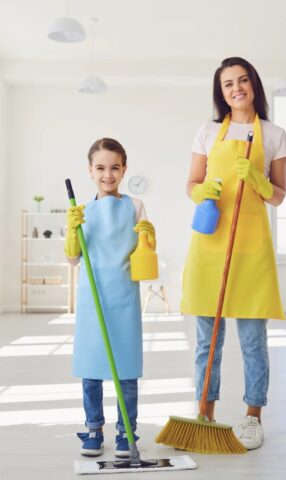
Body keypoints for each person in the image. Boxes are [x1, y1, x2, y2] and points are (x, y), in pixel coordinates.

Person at [181, 57, 286, 450]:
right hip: (210, 244)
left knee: (253, 341)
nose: (236, 88)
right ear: (221, 92)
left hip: (251, 247)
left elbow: (278, 195)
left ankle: (252, 418)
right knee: (208, 342)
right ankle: (204, 416)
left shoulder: (275, 134)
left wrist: (259, 180)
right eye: (228, 84)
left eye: (243, 80)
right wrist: (201, 192)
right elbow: (192, 182)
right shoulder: (208, 131)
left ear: (254, 85)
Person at [65, 138, 156, 457]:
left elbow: (144, 259)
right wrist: (70, 232)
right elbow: (74, 260)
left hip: (124, 298)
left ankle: (126, 431)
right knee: (91, 369)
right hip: (92, 298)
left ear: (124, 169)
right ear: (90, 171)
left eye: (114, 167)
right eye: (100, 168)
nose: (108, 174)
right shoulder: (82, 211)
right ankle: (93, 429)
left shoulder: (135, 206)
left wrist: (149, 241)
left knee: (127, 369)